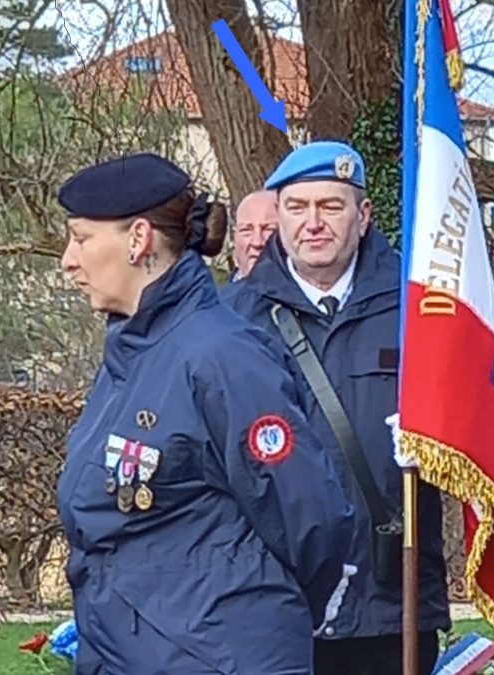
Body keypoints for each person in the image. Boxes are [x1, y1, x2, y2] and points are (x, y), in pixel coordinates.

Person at [54, 153, 356, 674]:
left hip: (216, 656)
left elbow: (310, 518)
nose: (68, 259)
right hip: (134, 651)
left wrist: (247, 620)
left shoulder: (222, 357)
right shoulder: (133, 353)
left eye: (81, 238)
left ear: (139, 238)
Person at [223, 140, 449, 675]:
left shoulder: (420, 306)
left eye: (331, 206)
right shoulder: (233, 319)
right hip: (275, 601)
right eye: (297, 208)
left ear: (363, 215)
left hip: (391, 600)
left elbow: (473, 425)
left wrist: (439, 443)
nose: (313, 223)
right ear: (277, 217)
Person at [230, 190, 279, 281]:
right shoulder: (215, 295)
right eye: (246, 230)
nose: (257, 242)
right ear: (235, 238)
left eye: (269, 230)